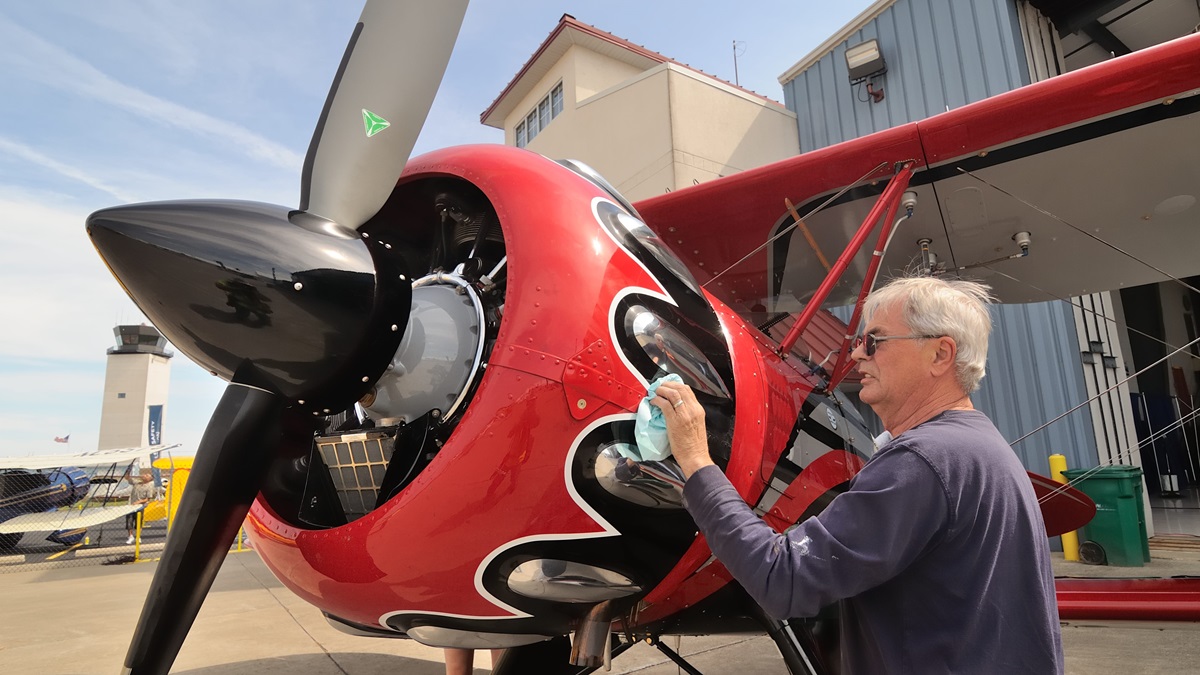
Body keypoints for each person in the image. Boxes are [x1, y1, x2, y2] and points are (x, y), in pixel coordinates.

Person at [652, 276, 1063, 674]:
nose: (856, 355)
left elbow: (783, 579)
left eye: (875, 341)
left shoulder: (923, 460)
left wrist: (695, 460)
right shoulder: (977, 446)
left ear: (940, 355)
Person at [125, 469, 159, 545]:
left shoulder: (149, 486)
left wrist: (139, 502)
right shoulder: (137, 482)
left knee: (138, 522)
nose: (144, 475)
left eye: (147, 475)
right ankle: (130, 536)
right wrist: (128, 471)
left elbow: (148, 498)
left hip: (140, 506)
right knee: (129, 521)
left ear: (149, 479)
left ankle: (138, 536)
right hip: (131, 505)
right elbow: (127, 478)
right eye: (145, 474)